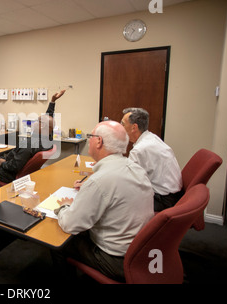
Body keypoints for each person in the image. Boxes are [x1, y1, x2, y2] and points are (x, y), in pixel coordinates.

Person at [52, 120, 154, 282]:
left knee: (58, 242)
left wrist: (64, 207)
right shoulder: (135, 168)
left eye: (91, 136)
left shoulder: (99, 182)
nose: (90, 140)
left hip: (116, 259)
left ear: (99, 141)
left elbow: (70, 224)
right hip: (141, 250)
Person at [0, 90, 65, 183]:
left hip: (9, 173)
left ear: (42, 126)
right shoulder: (48, 138)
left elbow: (14, 167)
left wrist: (2, 163)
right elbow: (49, 120)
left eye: (37, 120)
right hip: (16, 165)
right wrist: (52, 101)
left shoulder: (29, 144)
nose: (34, 122)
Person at [121, 107, 183, 211]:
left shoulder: (140, 149)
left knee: (117, 200)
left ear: (134, 127)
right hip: (173, 195)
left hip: (163, 200)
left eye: (123, 124)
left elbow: (127, 181)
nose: (120, 127)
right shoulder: (151, 138)